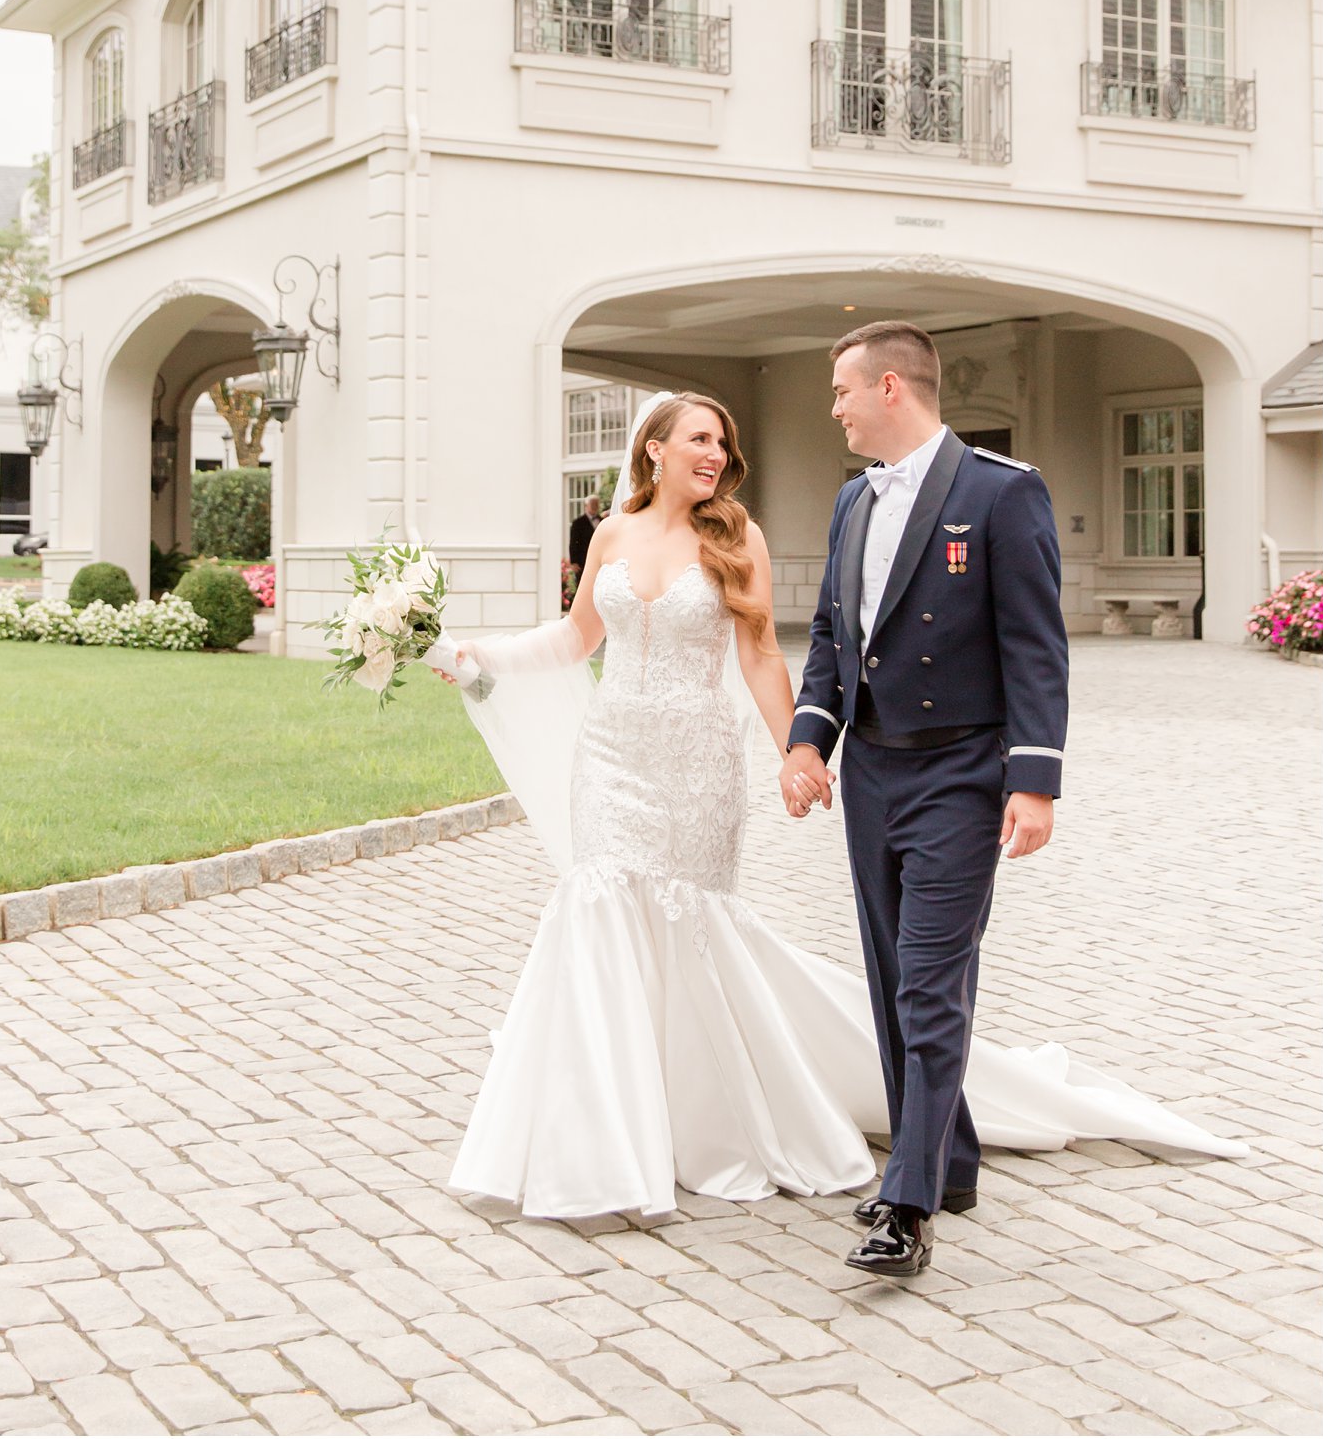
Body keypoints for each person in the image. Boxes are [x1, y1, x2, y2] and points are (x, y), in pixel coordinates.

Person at [444, 390, 1242, 1236]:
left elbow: (761, 654)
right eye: (699, 439)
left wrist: (798, 749)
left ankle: (705, 1120)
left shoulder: (734, 536)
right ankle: (605, 1137)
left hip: (695, 766)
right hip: (608, 760)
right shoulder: (611, 534)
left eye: (724, 441)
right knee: (599, 911)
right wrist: (477, 654)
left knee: (687, 931)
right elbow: (574, 640)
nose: (715, 453)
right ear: (654, 449)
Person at [785, 321, 1064, 1275]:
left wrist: (1033, 780)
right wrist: (807, 739)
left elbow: (1037, 644)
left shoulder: (1000, 491)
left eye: (842, 391)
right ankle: (948, 1158)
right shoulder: (851, 502)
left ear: (891, 386)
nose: (835, 408)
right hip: (871, 771)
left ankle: (906, 1206)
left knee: (930, 980)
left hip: (960, 771)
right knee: (888, 972)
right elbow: (830, 630)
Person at [567, 492, 600, 576]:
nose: (594, 506)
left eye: (596, 504)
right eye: (592, 504)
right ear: (586, 506)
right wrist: (574, 562)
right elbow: (573, 543)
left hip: (600, 562)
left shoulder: (602, 521)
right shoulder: (577, 523)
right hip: (583, 562)